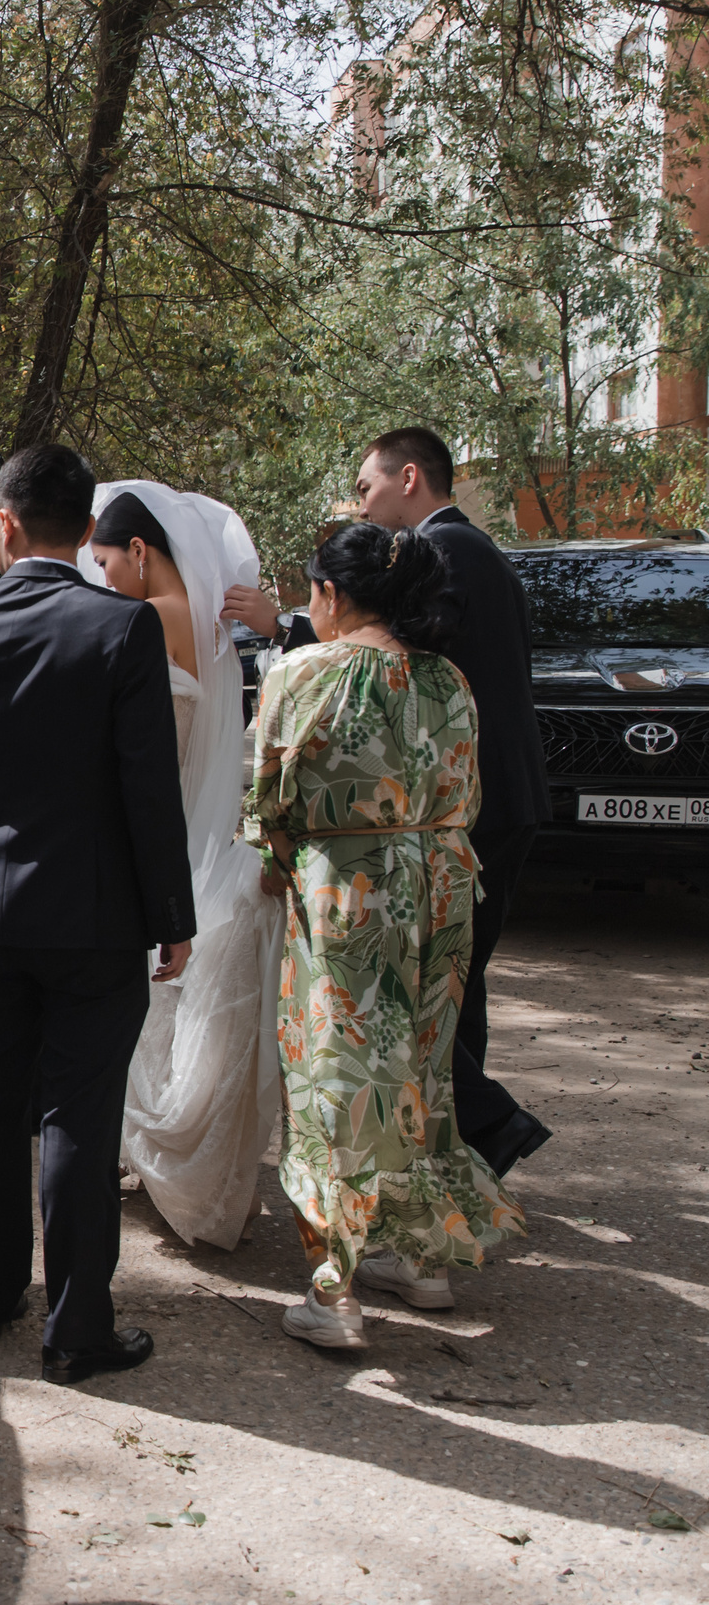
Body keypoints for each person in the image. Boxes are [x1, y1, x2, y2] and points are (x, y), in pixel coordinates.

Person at [0, 445, 196, 1385]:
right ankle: (77, 1330)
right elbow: (148, 789)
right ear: (85, 532)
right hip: (95, 915)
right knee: (78, 1114)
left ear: (4, 523)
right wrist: (174, 915)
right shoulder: (121, 629)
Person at [222, 428, 550, 1179]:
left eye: (366, 487)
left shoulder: (455, 554)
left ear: (409, 477)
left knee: (404, 996)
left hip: (459, 805)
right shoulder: (476, 550)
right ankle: (459, 1144)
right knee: (449, 984)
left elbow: (388, 650)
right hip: (479, 794)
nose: (362, 502)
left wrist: (287, 628)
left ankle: (481, 1130)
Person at [247, 522, 525, 1349]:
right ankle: (422, 1259)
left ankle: (333, 1293)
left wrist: (280, 861)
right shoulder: (448, 680)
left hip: (348, 895)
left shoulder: (303, 673)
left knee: (338, 1076)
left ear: (330, 596)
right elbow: (467, 794)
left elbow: (271, 800)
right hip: (440, 889)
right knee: (421, 1069)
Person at [80, 483, 286, 1250]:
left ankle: (145, 1154)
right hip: (205, 824)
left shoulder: (140, 621)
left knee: (140, 994)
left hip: (151, 819)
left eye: (104, 561)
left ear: (139, 551)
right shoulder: (213, 628)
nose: (100, 578)